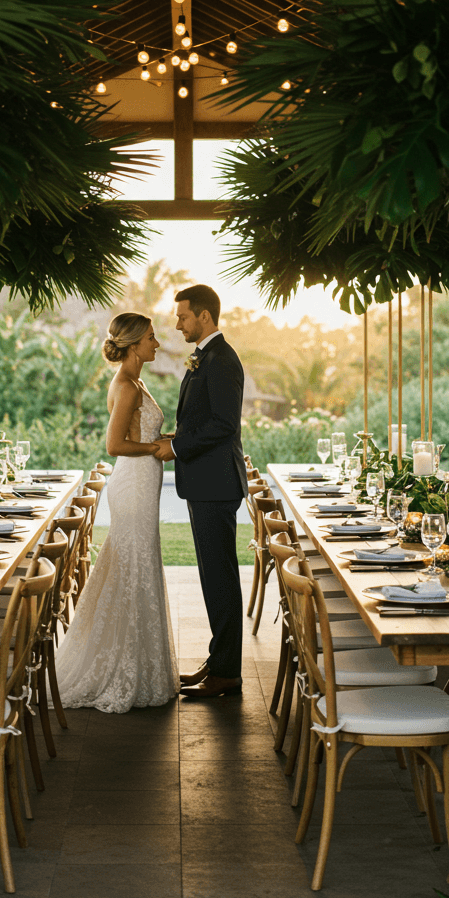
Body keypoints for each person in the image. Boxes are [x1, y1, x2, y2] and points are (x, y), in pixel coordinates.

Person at [52, 312, 178, 713]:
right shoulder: (125, 385)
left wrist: (168, 441)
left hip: (143, 482)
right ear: (136, 343)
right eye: (152, 339)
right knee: (133, 565)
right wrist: (158, 449)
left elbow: (142, 434)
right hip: (134, 484)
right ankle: (122, 670)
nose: (157, 344)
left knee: (137, 564)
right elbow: (114, 444)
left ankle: (141, 666)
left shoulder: (137, 382)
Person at [153, 285, 248, 698]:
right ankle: (219, 660)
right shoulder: (207, 357)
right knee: (213, 578)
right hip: (206, 482)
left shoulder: (222, 360)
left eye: (183, 317)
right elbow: (204, 419)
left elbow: (224, 425)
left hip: (215, 484)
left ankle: (227, 672)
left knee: (221, 579)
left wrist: (176, 446)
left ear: (205, 317)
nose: (177, 324)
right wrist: (179, 435)